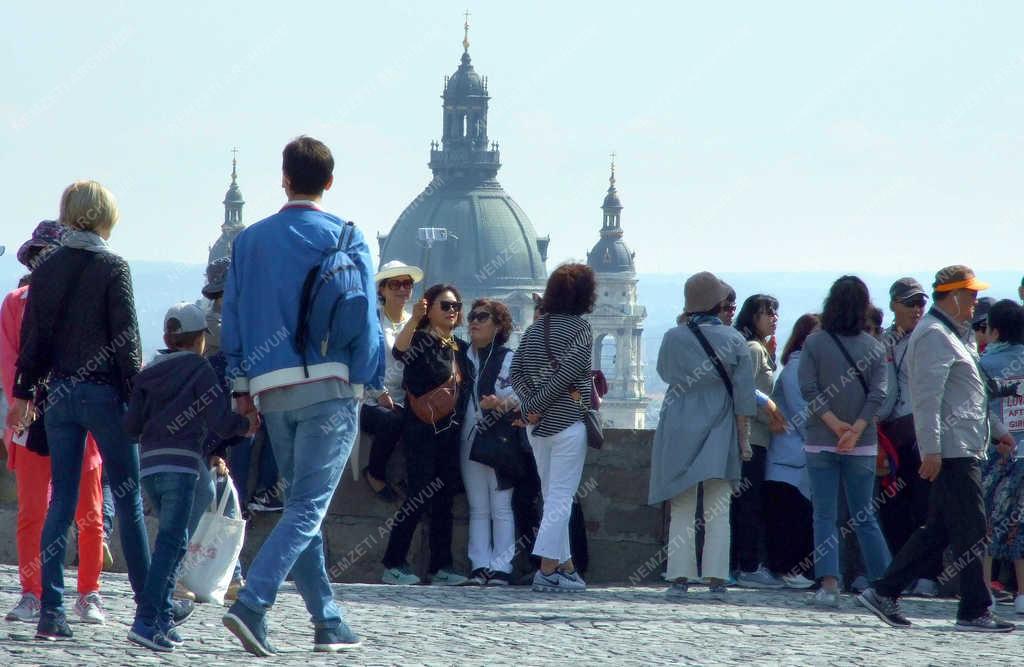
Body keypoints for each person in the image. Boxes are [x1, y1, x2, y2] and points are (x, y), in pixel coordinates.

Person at [221, 136, 383, 655]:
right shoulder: (347, 236)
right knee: (307, 509)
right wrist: (363, 381)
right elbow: (368, 324)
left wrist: (242, 389)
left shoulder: (248, 242)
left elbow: (234, 319)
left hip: (271, 390)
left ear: (284, 178)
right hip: (331, 385)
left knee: (298, 506)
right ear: (329, 183)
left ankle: (328, 621)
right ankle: (252, 603)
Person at [10, 182, 153, 641]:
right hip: (104, 395)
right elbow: (127, 340)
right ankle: (150, 609)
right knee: (127, 497)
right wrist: (138, 399)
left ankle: (51, 609)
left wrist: (23, 392)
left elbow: (33, 341)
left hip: (58, 397)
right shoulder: (113, 266)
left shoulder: (46, 269)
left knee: (60, 503)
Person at [859, 265, 1017, 632]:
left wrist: (996, 431)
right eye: (972, 295)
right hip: (952, 451)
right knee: (973, 527)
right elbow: (928, 400)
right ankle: (974, 609)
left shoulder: (951, 334)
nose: (976, 302)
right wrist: (931, 450)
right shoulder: (934, 335)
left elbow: (968, 394)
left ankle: (885, 590)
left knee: (942, 530)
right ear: (954, 295)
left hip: (961, 446)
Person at [123, 303, 254, 652]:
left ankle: (163, 617)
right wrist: (247, 425)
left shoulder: (148, 371)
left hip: (149, 467)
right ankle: (146, 621)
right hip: (181, 468)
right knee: (171, 545)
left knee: (170, 542)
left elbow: (131, 426)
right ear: (199, 340)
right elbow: (220, 422)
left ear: (167, 337)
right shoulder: (200, 369)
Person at [1, 221, 106, 625]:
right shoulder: (16, 302)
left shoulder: (83, 301)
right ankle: (33, 592)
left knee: (90, 513)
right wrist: (19, 402)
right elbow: (8, 358)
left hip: (80, 415)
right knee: (31, 511)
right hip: (32, 418)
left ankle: (89, 592)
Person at [649, 272, 756, 599]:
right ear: (718, 303)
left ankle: (679, 575)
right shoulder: (735, 340)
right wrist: (743, 438)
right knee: (717, 507)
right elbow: (744, 397)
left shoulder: (672, 336)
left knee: (681, 505)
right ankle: (716, 576)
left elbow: (665, 373)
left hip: (678, 423)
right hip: (720, 426)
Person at [799, 275, 891, 607]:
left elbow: (809, 389)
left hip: (821, 440)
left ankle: (828, 583)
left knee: (824, 515)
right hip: (862, 442)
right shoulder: (874, 347)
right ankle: (884, 584)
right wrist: (855, 428)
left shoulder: (814, 343)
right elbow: (880, 393)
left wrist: (835, 425)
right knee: (864, 514)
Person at [510, 263, 596, 593]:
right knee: (561, 498)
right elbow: (566, 377)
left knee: (552, 497)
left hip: (537, 429)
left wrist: (530, 406)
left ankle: (567, 568)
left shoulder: (536, 329)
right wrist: (536, 405)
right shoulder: (581, 330)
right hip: (568, 424)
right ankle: (546, 570)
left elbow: (515, 372)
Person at [380, 284, 469, 586]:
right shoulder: (420, 339)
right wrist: (414, 320)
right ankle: (393, 563)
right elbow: (399, 351)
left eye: (455, 305)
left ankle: (441, 566)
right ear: (429, 309)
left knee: (444, 499)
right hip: (421, 430)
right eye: (445, 305)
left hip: (449, 432)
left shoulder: (457, 346)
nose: (452, 310)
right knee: (418, 495)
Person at [176, 256, 250, 603]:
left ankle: (231, 575)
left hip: (208, 436)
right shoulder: (230, 331)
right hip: (208, 435)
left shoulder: (212, 326)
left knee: (224, 500)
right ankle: (176, 573)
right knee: (211, 500)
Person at [876, 278, 942, 597]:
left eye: (921, 303)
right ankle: (901, 571)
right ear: (893, 306)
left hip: (923, 428)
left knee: (925, 504)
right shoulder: (885, 341)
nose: (917, 309)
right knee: (892, 505)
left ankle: (929, 575)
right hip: (891, 432)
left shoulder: (929, 337)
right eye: (910, 303)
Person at [460, 299, 521, 585]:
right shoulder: (462, 355)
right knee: (478, 506)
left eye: (482, 317)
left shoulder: (507, 357)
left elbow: (519, 394)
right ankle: (479, 564)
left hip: (497, 438)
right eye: (472, 316)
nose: (474, 321)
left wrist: (500, 402)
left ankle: (502, 566)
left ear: (498, 326)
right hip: (467, 438)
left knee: (500, 505)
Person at [731, 294, 785, 589]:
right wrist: (773, 416)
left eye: (775, 313)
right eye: (767, 313)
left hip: (757, 438)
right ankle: (748, 565)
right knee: (749, 504)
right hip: (752, 438)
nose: (774, 318)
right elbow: (746, 394)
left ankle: (744, 563)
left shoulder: (761, 349)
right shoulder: (753, 349)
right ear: (753, 318)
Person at [360, 260, 423, 502]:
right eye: (395, 284)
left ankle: (414, 480)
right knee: (392, 422)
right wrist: (378, 393)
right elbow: (361, 363)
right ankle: (375, 474)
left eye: (407, 284)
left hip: (405, 400)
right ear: (382, 290)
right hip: (370, 402)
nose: (402, 289)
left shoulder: (414, 323)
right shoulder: (371, 323)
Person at [764, 314, 819, 589]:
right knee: (791, 518)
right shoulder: (797, 370)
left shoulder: (799, 369)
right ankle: (788, 568)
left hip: (793, 459)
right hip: (790, 459)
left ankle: (792, 568)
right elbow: (803, 414)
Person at [977, 300, 1024, 613]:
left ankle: (984, 590)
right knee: (1021, 522)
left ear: (994, 330)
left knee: (985, 521)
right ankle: (1022, 594)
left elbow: (978, 407)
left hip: (995, 449)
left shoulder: (986, 364)